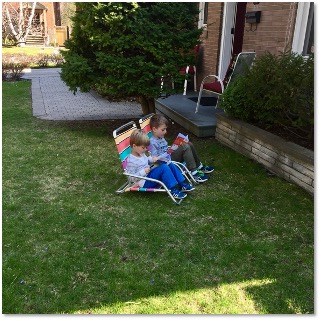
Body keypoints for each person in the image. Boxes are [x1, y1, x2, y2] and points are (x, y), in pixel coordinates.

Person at [126, 129, 195, 200]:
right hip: (144, 182)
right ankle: (173, 190)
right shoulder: (131, 161)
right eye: (143, 147)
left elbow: (146, 159)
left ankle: (182, 183)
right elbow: (131, 178)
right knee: (164, 167)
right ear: (134, 146)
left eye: (146, 147)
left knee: (169, 164)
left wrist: (152, 159)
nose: (145, 150)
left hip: (149, 175)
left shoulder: (141, 153)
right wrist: (143, 171)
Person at [149, 114, 214, 183]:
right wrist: (167, 153)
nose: (165, 132)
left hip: (169, 156)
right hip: (166, 162)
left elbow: (165, 149)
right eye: (163, 130)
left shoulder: (161, 137)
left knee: (189, 144)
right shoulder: (152, 142)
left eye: (165, 129)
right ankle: (194, 172)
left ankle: (199, 166)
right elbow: (155, 159)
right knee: (185, 147)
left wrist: (173, 147)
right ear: (154, 129)